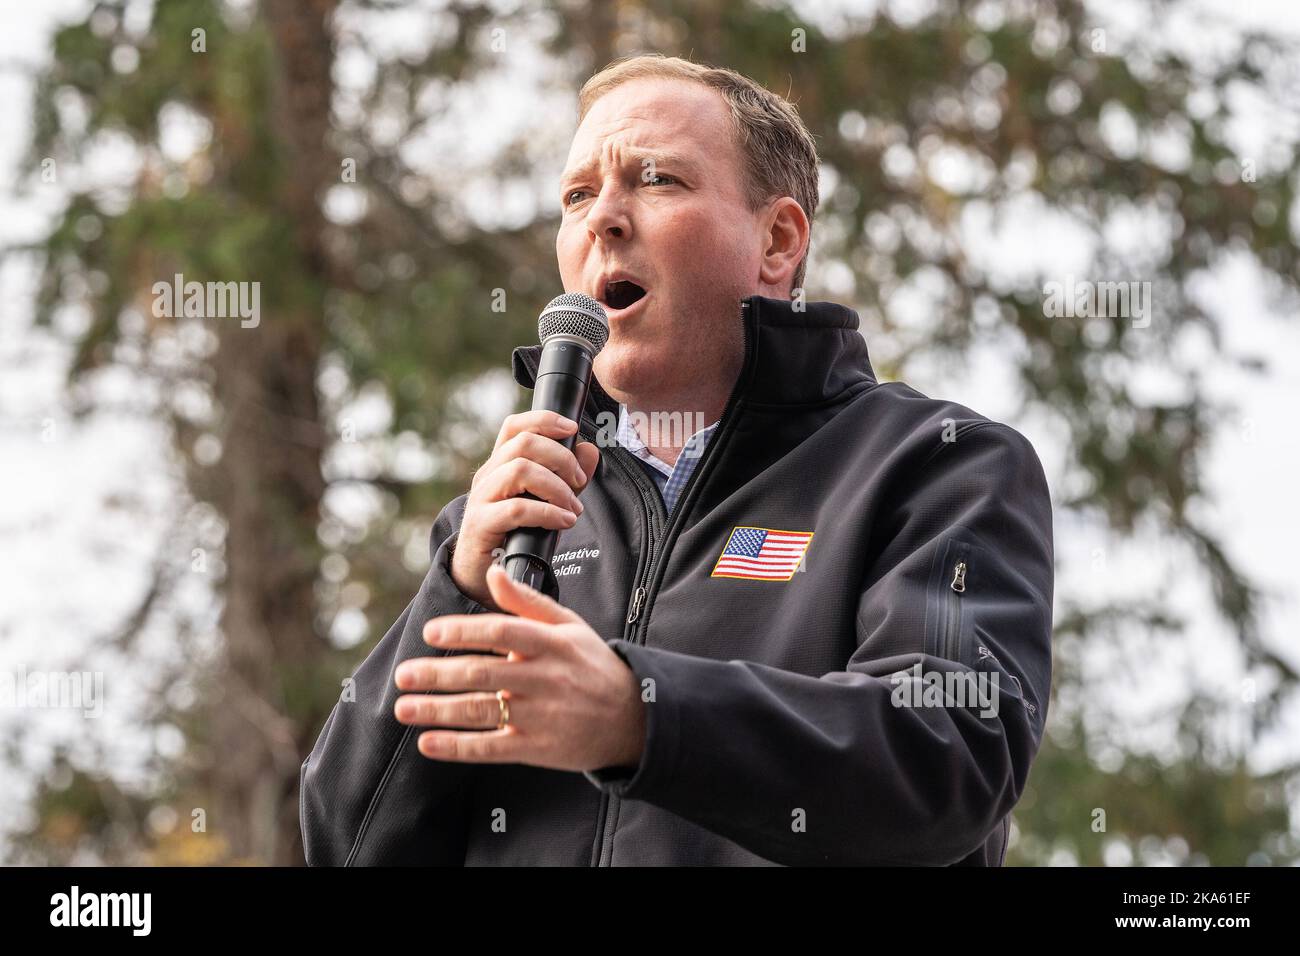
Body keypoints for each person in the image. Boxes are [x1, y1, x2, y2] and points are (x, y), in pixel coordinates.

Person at [300, 54, 1054, 866]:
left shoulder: (935, 468)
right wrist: (459, 593)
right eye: (578, 195)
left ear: (777, 240)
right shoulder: (513, 519)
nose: (603, 220)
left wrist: (643, 715)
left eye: (655, 180)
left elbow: (946, 753)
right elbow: (347, 847)